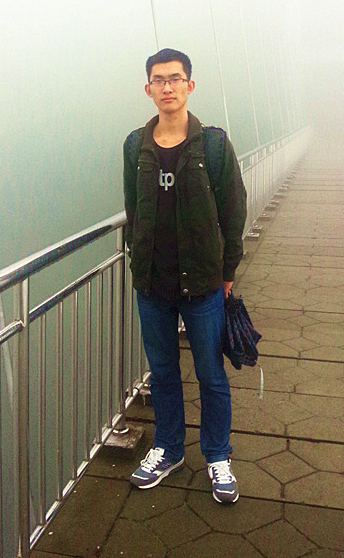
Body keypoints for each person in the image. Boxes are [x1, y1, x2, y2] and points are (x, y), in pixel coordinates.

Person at [123, 47, 247, 504]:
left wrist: (227, 271)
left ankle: (217, 455)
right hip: (153, 285)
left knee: (210, 373)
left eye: (175, 79)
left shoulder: (212, 145)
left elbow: (233, 210)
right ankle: (169, 449)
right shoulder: (135, 146)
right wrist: (137, 260)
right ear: (148, 89)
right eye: (159, 80)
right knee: (162, 373)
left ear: (190, 85)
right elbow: (133, 210)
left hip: (202, 284)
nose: (167, 87)